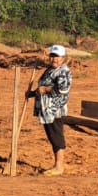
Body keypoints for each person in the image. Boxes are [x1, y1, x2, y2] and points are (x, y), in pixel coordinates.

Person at [26, 44, 73, 175]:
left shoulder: (64, 71)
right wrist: (32, 93)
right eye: (52, 56)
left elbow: (62, 89)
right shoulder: (50, 70)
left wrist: (45, 89)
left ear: (63, 58)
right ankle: (57, 164)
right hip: (46, 110)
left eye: (57, 56)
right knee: (52, 136)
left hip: (54, 110)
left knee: (56, 136)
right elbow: (42, 86)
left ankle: (59, 166)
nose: (54, 59)